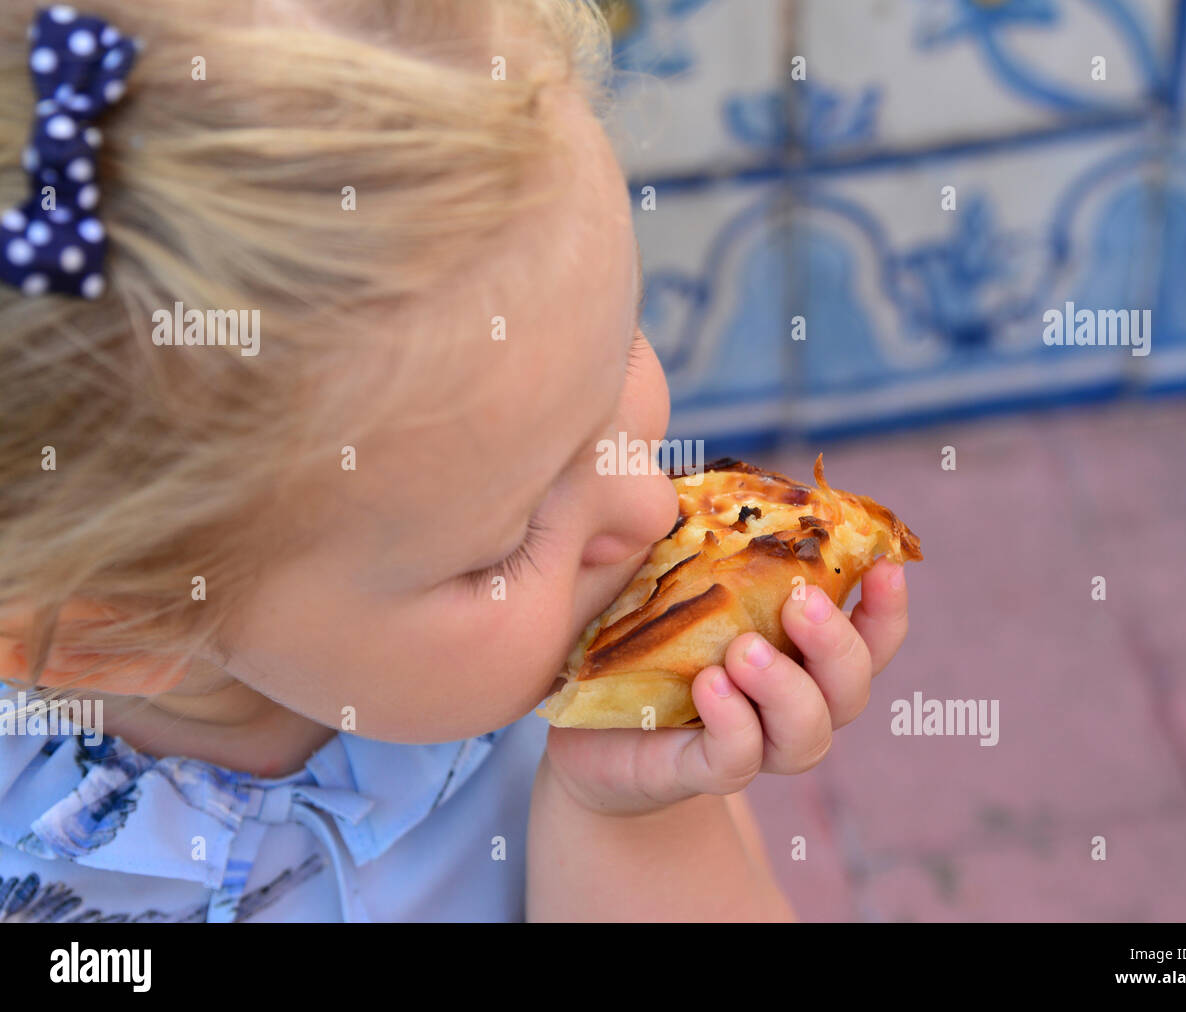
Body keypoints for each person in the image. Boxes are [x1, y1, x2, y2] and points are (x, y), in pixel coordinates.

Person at [0, 0, 910, 922]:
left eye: (622, 354)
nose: (647, 505)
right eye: (507, 543)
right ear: (115, 628)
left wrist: (631, 815)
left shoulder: (567, 670)